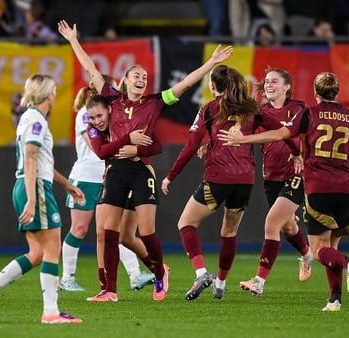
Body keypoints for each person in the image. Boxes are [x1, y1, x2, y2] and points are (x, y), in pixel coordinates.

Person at [218, 71, 349, 311]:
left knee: (319, 250)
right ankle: (334, 300)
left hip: (319, 187)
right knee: (332, 245)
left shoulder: (308, 114)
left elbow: (279, 134)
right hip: (347, 191)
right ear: (337, 92)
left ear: (315, 93)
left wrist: (242, 140)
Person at [58, 19, 233, 301]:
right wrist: (73, 41)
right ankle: (109, 290)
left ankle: (159, 273)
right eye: (136, 76)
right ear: (124, 81)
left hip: (142, 170)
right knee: (108, 231)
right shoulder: (111, 99)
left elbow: (185, 84)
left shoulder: (154, 102)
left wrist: (210, 63)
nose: (141, 80)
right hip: (116, 171)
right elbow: (90, 68)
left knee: (146, 231)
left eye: (144, 78)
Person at [0, 74, 83, 324]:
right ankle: (51, 312)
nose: (56, 95)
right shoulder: (36, 120)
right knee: (52, 247)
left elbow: (38, 160)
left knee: (37, 252)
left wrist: (67, 184)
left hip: (25, 184)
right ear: (47, 95)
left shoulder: (29, 118)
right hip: (34, 187)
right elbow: (32, 159)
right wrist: (33, 201)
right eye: (54, 91)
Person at [161, 64, 261, 301]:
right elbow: (279, 132)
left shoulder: (209, 109)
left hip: (219, 178)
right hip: (245, 179)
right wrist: (296, 153)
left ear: (213, 86)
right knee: (229, 231)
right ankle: (220, 285)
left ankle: (201, 273)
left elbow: (190, 146)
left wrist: (170, 176)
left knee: (186, 223)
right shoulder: (252, 109)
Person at [59, 77, 155, 293]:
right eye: (113, 89)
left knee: (112, 231)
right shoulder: (88, 114)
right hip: (86, 177)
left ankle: (135, 274)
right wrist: (125, 143)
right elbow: (98, 149)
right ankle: (67, 277)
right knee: (80, 229)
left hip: (108, 176)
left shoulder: (114, 114)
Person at [238, 68, 312, 296]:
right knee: (288, 226)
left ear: (287, 87)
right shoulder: (260, 112)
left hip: (297, 174)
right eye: (267, 81)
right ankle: (307, 255)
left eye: (274, 81)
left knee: (271, 224)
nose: (268, 85)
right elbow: (239, 132)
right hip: (271, 175)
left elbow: (312, 134)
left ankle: (259, 281)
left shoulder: (299, 109)